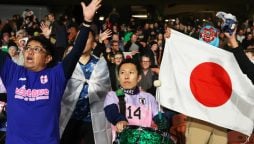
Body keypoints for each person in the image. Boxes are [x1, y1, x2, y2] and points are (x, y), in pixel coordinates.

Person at [0, 0, 101, 143]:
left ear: (48, 58)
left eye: (36, 49)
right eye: (28, 48)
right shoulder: (12, 72)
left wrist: (86, 23)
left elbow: (76, 51)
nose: (29, 52)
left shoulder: (56, 76)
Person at [60, 27, 112, 144]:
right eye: (79, 38)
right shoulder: (67, 64)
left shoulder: (100, 64)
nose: (82, 40)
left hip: (93, 120)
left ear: (94, 44)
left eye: (86, 38)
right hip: (70, 117)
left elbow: (106, 91)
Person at [103, 59, 170, 143]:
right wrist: (119, 120)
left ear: (139, 77)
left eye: (131, 72)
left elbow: (158, 115)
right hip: (123, 140)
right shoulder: (112, 95)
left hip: (146, 140)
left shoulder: (149, 97)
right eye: (122, 73)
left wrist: (162, 121)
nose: (126, 76)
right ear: (118, 77)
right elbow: (111, 112)